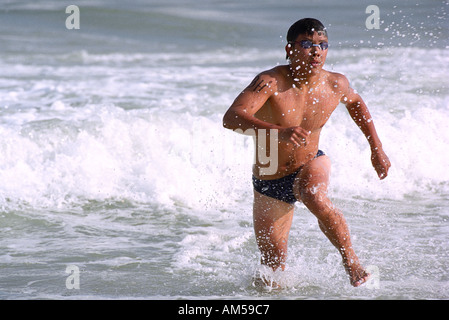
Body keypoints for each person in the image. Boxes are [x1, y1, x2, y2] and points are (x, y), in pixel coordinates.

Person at [222, 18, 391, 287]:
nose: (316, 52)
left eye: (323, 45)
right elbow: (232, 117)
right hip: (269, 178)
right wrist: (277, 130)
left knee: (314, 194)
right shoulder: (270, 82)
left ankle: (352, 262)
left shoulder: (335, 84)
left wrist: (377, 148)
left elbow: (356, 103)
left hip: (310, 162)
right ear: (290, 49)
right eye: (307, 44)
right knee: (271, 275)